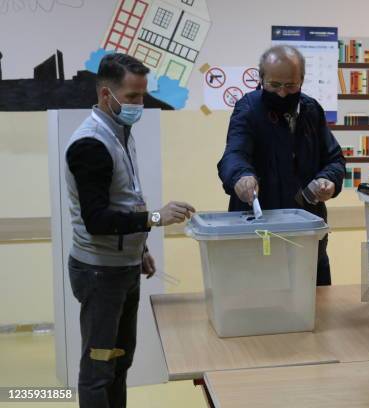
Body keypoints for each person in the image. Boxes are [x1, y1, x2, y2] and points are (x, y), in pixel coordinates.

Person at [65, 53, 195, 408]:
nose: (141, 104)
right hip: (99, 272)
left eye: (143, 95)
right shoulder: (90, 143)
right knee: (98, 369)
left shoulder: (120, 131)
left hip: (122, 265)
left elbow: (124, 200)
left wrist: (140, 249)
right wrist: (155, 218)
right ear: (107, 95)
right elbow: (97, 220)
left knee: (119, 361)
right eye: (133, 96)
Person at [217, 45, 346, 286]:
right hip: (260, 235)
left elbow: (334, 159)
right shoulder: (248, 109)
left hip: (308, 237)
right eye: (274, 85)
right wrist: (241, 177)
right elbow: (234, 154)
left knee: (317, 312)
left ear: (302, 80)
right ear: (261, 78)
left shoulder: (311, 110)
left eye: (290, 86)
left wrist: (329, 180)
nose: (283, 94)